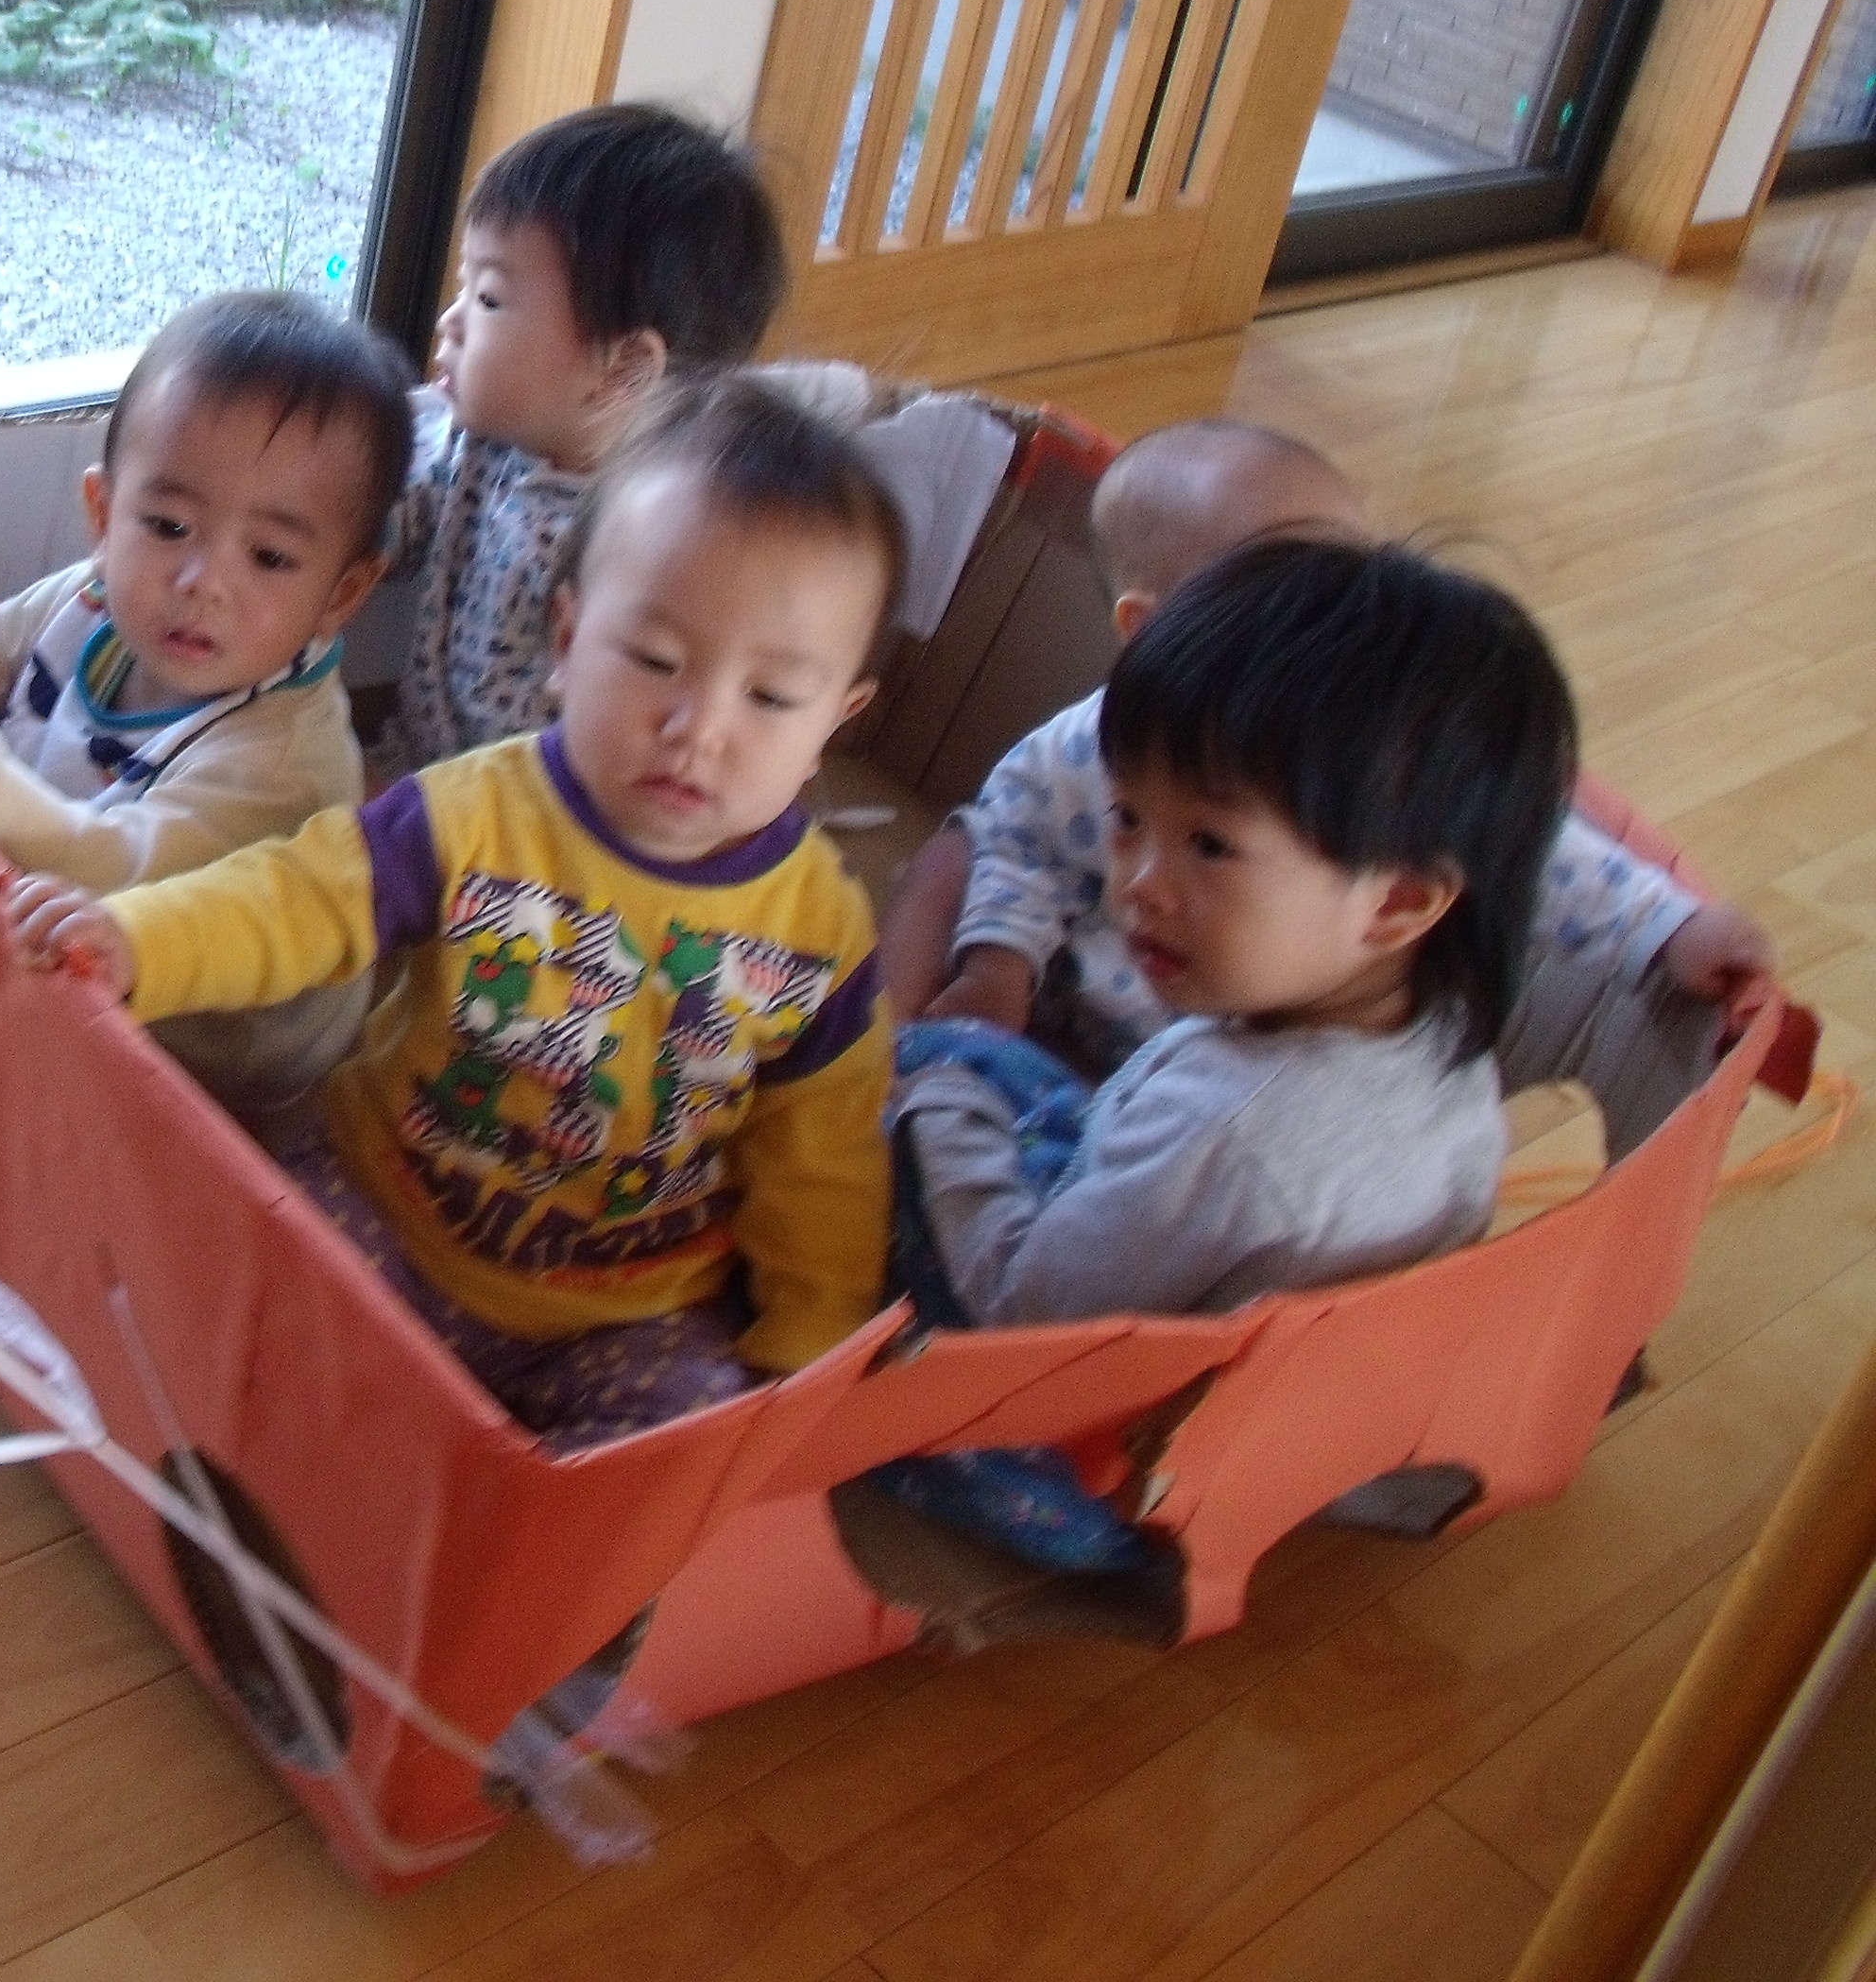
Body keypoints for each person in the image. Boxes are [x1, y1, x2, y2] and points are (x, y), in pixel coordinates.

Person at [4, 376, 903, 1449]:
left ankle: (516, 1516)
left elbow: (825, 1160)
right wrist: (138, 938)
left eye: (770, 697)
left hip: (626, 1312)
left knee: (689, 1446)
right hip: (387, 1212)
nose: (697, 727)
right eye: (655, 661)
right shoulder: (473, 813)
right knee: (225, 1302)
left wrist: (810, 1346)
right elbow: (294, 897)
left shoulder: (820, 934)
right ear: (567, 640)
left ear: (837, 718)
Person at [875, 538, 1575, 1569]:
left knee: (899, 1096)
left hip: (1089, 1470)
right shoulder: (1442, 1040)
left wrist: (931, 1097)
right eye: (1127, 819)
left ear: (1397, 900)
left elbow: (1023, 1314)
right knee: (972, 1062)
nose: (1138, 885)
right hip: (1230, 1409)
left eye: (1208, 845)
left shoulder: (1230, 1132)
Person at [883, 419, 1770, 1084]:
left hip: (1281, 1068)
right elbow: (1022, 846)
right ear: (1151, 630)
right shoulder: (1097, 742)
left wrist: (1664, 927)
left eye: (1350, 579)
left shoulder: (1378, 746)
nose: (1339, 622)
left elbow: (1531, 848)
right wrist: (997, 969)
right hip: (1089, 1036)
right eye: (1282, 595)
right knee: (956, 872)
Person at [0, 288, 412, 1113]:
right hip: (58, 913)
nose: (202, 583)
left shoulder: (283, 763)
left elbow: (123, 871)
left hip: (215, 1053)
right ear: (103, 513)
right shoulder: (94, 600)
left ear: (344, 593)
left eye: (268, 557)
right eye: (168, 526)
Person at [375, 101, 789, 775]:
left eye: (489, 298)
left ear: (621, 372)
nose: (449, 322)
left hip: (533, 816)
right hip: (423, 773)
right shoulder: (488, 439)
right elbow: (396, 510)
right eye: (463, 286)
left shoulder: (649, 546)